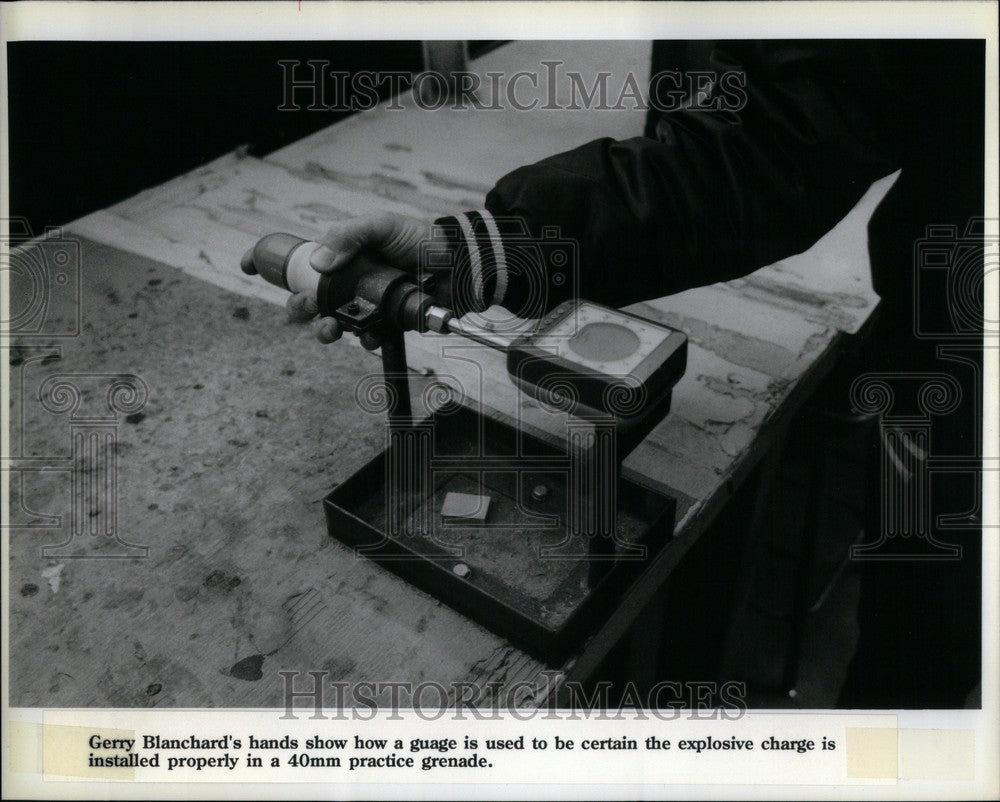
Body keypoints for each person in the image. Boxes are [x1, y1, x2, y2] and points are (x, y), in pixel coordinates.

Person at [274, 41, 986, 708]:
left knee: (938, 631)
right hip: (954, 334)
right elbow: (781, 139)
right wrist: (488, 248)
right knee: (917, 603)